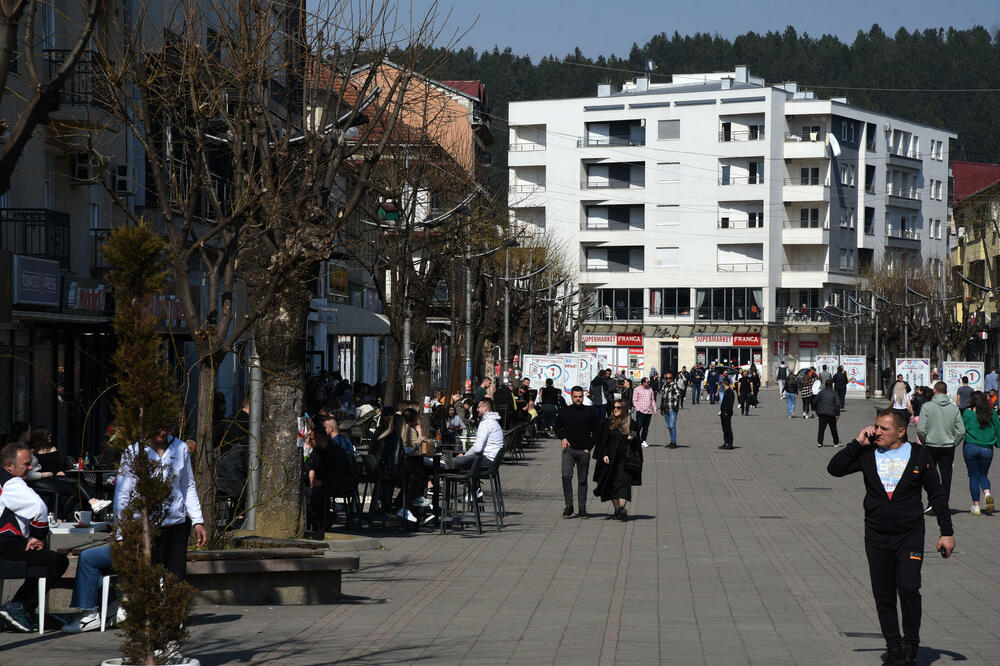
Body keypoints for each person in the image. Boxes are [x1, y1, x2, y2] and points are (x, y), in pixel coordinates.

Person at [828, 410, 955, 665]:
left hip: (909, 534)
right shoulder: (867, 453)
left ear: (900, 431)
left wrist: (946, 532)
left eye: (883, 428)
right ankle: (894, 647)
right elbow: (835, 469)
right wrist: (857, 443)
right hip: (876, 536)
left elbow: (937, 494)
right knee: (883, 594)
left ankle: (911, 645)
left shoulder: (919, 455)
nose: (876, 432)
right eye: (875, 426)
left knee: (908, 588)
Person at [114, 428, 207, 581]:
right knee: (147, 582)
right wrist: (121, 533)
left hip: (175, 525)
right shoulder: (134, 452)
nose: (164, 432)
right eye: (159, 426)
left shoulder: (180, 448)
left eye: (167, 427)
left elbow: (187, 485)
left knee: (175, 581)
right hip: (143, 527)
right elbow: (123, 493)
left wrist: (197, 521)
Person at [0, 442, 70, 632]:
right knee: (56, 561)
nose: (30, 467)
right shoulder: (11, 483)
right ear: (9, 466)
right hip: (6, 546)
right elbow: (39, 509)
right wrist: (38, 536)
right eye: (26, 464)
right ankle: (19, 606)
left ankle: (19, 609)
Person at [916, 382, 966, 514]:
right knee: (946, 476)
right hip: (948, 446)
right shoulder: (953, 409)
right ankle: (943, 504)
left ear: (934, 391)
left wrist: (924, 441)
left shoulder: (927, 407)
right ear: (946, 391)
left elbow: (921, 429)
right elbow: (961, 431)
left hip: (931, 445)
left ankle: (932, 502)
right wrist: (954, 442)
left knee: (930, 476)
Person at [554, 387, 598, 519]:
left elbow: (596, 431)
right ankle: (569, 506)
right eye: (575, 397)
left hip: (583, 450)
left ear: (583, 396)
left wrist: (589, 448)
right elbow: (556, 426)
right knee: (566, 477)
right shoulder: (565, 411)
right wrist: (563, 437)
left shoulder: (590, 411)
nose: (578, 399)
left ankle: (582, 509)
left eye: (580, 396)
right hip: (569, 450)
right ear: (571, 397)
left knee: (582, 480)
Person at [592, 401, 640, 521]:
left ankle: (621, 509)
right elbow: (602, 441)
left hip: (625, 460)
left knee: (623, 484)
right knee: (612, 484)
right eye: (614, 407)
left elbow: (637, 438)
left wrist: (632, 437)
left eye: (618, 407)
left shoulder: (631, 423)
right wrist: (604, 454)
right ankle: (618, 510)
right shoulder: (608, 422)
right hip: (611, 460)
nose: (615, 409)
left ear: (624, 409)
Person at [449, 398, 503, 497]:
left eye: (479, 407)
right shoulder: (494, 422)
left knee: (452, 463)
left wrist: (465, 455)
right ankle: (474, 490)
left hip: (487, 460)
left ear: (486, 408)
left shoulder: (486, 423)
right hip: (493, 461)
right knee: (463, 462)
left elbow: (478, 448)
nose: (477, 409)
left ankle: (471, 491)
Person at [961, 391, 998, 516]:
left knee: (973, 476)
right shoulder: (991, 413)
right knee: (983, 475)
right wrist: (998, 443)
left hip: (971, 447)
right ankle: (987, 494)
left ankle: (976, 506)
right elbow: (998, 429)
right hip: (987, 448)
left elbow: (961, 429)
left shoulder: (967, 413)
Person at [814, 379, 841, 447]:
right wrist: (837, 414)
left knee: (821, 428)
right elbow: (838, 404)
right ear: (832, 385)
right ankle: (836, 442)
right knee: (833, 429)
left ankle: (820, 442)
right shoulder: (835, 393)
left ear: (825, 385)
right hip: (831, 413)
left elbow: (814, 401)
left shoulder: (821, 392)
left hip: (822, 413)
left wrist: (816, 410)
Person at [658, 371, 681, 448]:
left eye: (670, 378)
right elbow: (662, 397)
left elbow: (679, 393)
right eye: (666, 378)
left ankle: (674, 442)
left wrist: (673, 397)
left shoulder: (674, 385)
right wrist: (661, 408)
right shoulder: (664, 386)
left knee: (672, 426)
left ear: (672, 378)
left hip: (672, 408)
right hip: (666, 409)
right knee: (668, 426)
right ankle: (671, 441)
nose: (668, 379)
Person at [631, 377, 655, 448]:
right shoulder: (637, 389)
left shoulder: (650, 389)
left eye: (648, 382)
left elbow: (653, 400)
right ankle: (634, 440)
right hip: (641, 411)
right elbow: (634, 400)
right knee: (638, 426)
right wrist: (638, 408)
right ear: (643, 383)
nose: (648, 383)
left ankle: (643, 440)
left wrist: (654, 408)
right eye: (647, 382)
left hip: (649, 411)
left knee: (646, 428)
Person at [718, 378, 735, 450]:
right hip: (723, 413)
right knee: (724, 428)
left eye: (722, 384)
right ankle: (726, 442)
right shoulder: (726, 391)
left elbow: (730, 404)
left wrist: (726, 412)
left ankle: (730, 443)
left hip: (726, 413)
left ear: (724, 384)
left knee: (728, 428)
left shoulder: (730, 392)